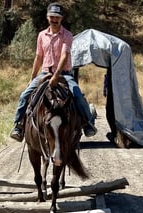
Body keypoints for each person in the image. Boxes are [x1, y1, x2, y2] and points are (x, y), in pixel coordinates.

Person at [10, 2, 97, 142]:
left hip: (64, 74)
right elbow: (38, 57)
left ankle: (87, 123)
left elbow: (64, 56)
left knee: (77, 94)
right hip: (44, 73)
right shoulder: (41, 36)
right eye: (52, 17)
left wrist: (57, 75)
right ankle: (18, 125)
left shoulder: (67, 35)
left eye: (57, 17)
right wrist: (32, 77)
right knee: (25, 95)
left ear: (61, 19)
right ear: (47, 17)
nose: (54, 20)